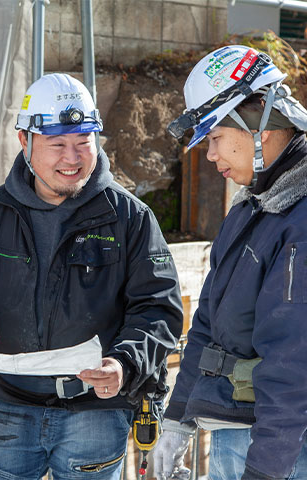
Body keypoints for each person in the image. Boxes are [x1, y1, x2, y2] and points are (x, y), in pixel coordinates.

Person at [0, 73, 183, 480]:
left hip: (96, 413)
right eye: (58, 145)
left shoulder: (128, 218)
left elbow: (158, 308)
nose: (73, 158)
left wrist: (123, 365)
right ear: (24, 140)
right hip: (10, 403)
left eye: (83, 142)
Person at [152, 45, 307, 480]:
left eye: (216, 138)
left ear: (258, 122)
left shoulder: (300, 220)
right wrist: (178, 420)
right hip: (239, 431)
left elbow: (294, 366)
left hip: (282, 447)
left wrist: (263, 471)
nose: (210, 155)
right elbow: (208, 325)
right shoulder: (251, 209)